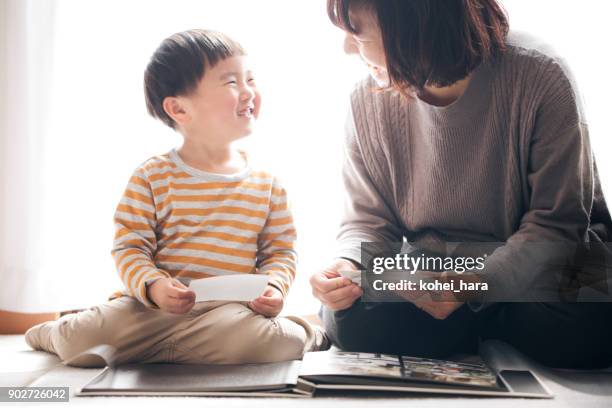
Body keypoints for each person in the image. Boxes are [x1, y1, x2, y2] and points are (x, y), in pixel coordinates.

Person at [310, 0, 612, 368]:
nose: (346, 49)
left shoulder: (539, 74)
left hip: (542, 267)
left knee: (589, 323)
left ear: (413, 28)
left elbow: (557, 225)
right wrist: (348, 266)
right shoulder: (366, 101)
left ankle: (466, 325)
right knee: (350, 319)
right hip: (437, 269)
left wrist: (473, 284)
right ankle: (482, 325)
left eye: (356, 35)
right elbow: (368, 222)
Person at [25, 29, 328, 367]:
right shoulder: (152, 177)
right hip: (150, 312)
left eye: (251, 79)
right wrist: (154, 287)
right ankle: (55, 333)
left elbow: (280, 252)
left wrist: (274, 287)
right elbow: (130, 247)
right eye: (231, 83)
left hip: (227, 314)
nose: (248, 92)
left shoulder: (268, 185)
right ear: (179, 109)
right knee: (79, 343)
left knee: (276, 343)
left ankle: (308, 333)